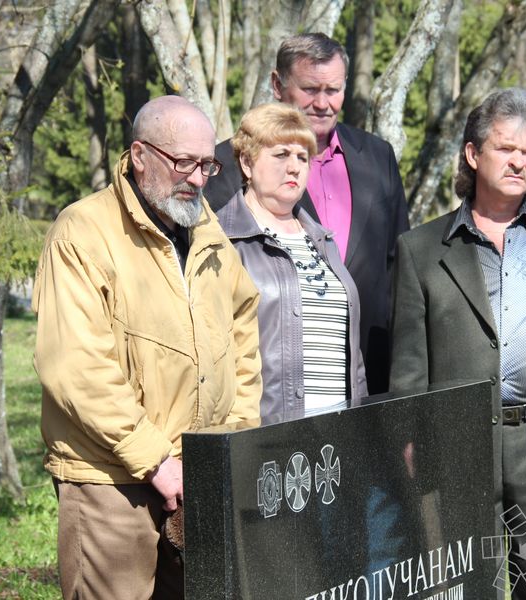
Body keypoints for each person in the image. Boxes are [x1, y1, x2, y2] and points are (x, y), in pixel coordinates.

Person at [32, 95, 262, 599]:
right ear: (140, 155)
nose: (198, 178)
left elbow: (242, 330)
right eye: (184, 162)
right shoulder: (83, 231)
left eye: (207, 165)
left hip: (199, 472)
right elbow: (75, 366)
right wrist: (157, 462)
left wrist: (236, 437)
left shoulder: (206, 229)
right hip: (110, 479)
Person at [390, 88, 526, 600]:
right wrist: (408, 440)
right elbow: (409, 365)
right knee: (467, 590)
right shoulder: (420, 249)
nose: (518, 162)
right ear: (473, 154)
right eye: (506, 148)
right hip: (457, 447)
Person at [205, 32, 408, 395]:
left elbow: (398, 274)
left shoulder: (379, 158)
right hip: (264, 387)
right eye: (310, 89)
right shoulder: (226, 166)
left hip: (366, 381)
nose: (323, 103)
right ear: (277, 85)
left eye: (334, 90)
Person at [217, 102, 367, 422]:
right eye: (281, 154)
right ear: (247, 162)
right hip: (267, 433)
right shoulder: (222, 240)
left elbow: (353, 360)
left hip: (342, 432)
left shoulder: (323, 241)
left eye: (302, 157)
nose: (294, 167)